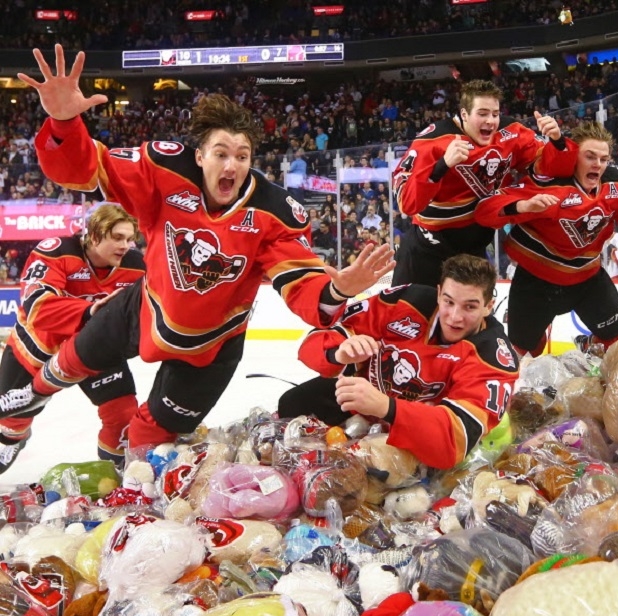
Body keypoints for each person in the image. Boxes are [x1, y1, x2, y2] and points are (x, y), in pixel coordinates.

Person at [0, 45, 395, 448]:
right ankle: (32, 395)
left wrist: (339, 289)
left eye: (242, 156)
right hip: (146, 306)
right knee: (73, 359)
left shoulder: (275, 212)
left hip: (216, 342)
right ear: (200, 155)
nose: (231, 166)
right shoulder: (162, 169)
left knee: (149, 432)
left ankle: (130, 478)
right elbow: (84, 172)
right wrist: (64, 121)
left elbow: (301, 286)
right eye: (221, 153)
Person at [277, 254, 517, 470]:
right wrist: (338, 353)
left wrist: (387, 407)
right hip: (362, 406)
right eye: (448, 302)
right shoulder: (405, 301)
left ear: (488, 307)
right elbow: (313, 343)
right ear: (438, 293)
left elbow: (453, 443)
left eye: (470, 307)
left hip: (416, 434)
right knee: (292, 404)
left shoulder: (493, 356)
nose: (455, 317)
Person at [474, 122, 618, 355]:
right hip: (536, 280)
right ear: (574, 156)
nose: (598, 164)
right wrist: (523, 205)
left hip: (588, 278)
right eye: (590, 157)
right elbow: (484, 210)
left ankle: (590, 346)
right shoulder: (547, 183)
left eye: (604, 159)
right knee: (520, 351)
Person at [0, 203, 144, 472]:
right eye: (117, 237)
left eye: (129, 238)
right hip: (37, 346)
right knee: (11, 423)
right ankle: (14, 439)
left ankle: (116, 477)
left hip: (95, 346)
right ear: (94, 234)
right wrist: (91, 311)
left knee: (122, 414)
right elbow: (37, 308)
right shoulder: (56, 250)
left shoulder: (138, 267)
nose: (126, 246)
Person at [390, 79, 575, 287]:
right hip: (426, 252)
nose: (491, 121)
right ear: (464, 114)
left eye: (495, 114)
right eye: (482, 113)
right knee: (410, 316)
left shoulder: (512, 132)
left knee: (474, 317)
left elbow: (547, 171)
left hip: (474, 251)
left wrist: (557, 141)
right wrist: (442, 165)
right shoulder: (432, 142)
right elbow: (407, 204)